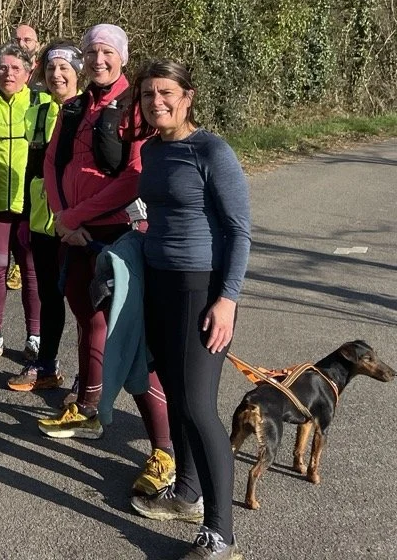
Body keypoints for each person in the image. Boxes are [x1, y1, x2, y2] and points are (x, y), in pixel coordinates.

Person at [37, 23, 176, 501]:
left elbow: (134, 176)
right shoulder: (73, 106)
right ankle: (90, 406)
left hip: (116, 235)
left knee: (130, 340)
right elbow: (52, 164)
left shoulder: (136, 109)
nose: (98, 60)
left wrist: (75, 215)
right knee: (86, 321)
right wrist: (60, 217)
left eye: (107, 53)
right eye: (92, 52)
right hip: (73, 233)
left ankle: (164, 449)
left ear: (121, 58)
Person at [129, 60, 250, 560]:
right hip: (159, 283)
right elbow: (154, 211)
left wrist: (228, 299)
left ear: (188, 97)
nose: (155, 101)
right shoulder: (152, 150)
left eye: (166, 93)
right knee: (175, 395)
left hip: (200, 290)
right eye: (147, 94)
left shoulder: (211, 151)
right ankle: (186, 493)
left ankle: (220, 535)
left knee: (198, 405)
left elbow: (240, 230)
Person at [9, 41, 83, 392]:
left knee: (85, 303)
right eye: (51, 69)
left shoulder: (88, 110)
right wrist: (24, 216)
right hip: (41, 220)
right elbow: (30, 167)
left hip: (78, 222)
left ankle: (89, 380)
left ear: (77, 72)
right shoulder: (37, 110)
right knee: (50, 296)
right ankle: (47, 367)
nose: (56, 75)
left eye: (64, 68)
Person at [0, 43, 50, 365]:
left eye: (16, 68)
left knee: (32, 272)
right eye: (2, 68)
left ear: (29, 72)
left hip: (30, 205)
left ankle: (34, 337)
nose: (8, 74)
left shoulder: (44, 103)